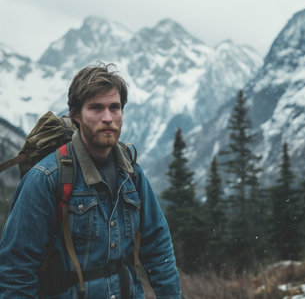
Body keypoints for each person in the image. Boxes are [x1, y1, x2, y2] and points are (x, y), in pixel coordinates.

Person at [0, 63, 182, 299]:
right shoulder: (46, 179)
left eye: (114, 108)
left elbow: (158, 249)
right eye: (96, 108)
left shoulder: (131, 174)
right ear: (76, 115)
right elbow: (16, 271)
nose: (108, 118)